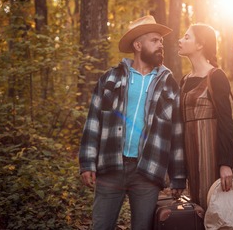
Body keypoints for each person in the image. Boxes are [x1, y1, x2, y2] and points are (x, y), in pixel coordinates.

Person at [79, 15, 186, 230]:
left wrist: (178, 176)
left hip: (148, 170)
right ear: (138, 45)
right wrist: (87, 162)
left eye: (161, 41)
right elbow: (93, 122)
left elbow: (176, 132)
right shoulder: (110, 79)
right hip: (111, 166)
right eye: (154, 40)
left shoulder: (169, 84)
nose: (160, 45)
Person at [178, 23, 233, 210]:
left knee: (219, 212)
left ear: (200, 45)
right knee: (197, 211)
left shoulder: (216, 76)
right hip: (192, 157)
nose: (180, 40)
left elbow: (225, 121)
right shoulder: (184, 80)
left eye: (187, 37)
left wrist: (225, 164)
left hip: (213, 157)